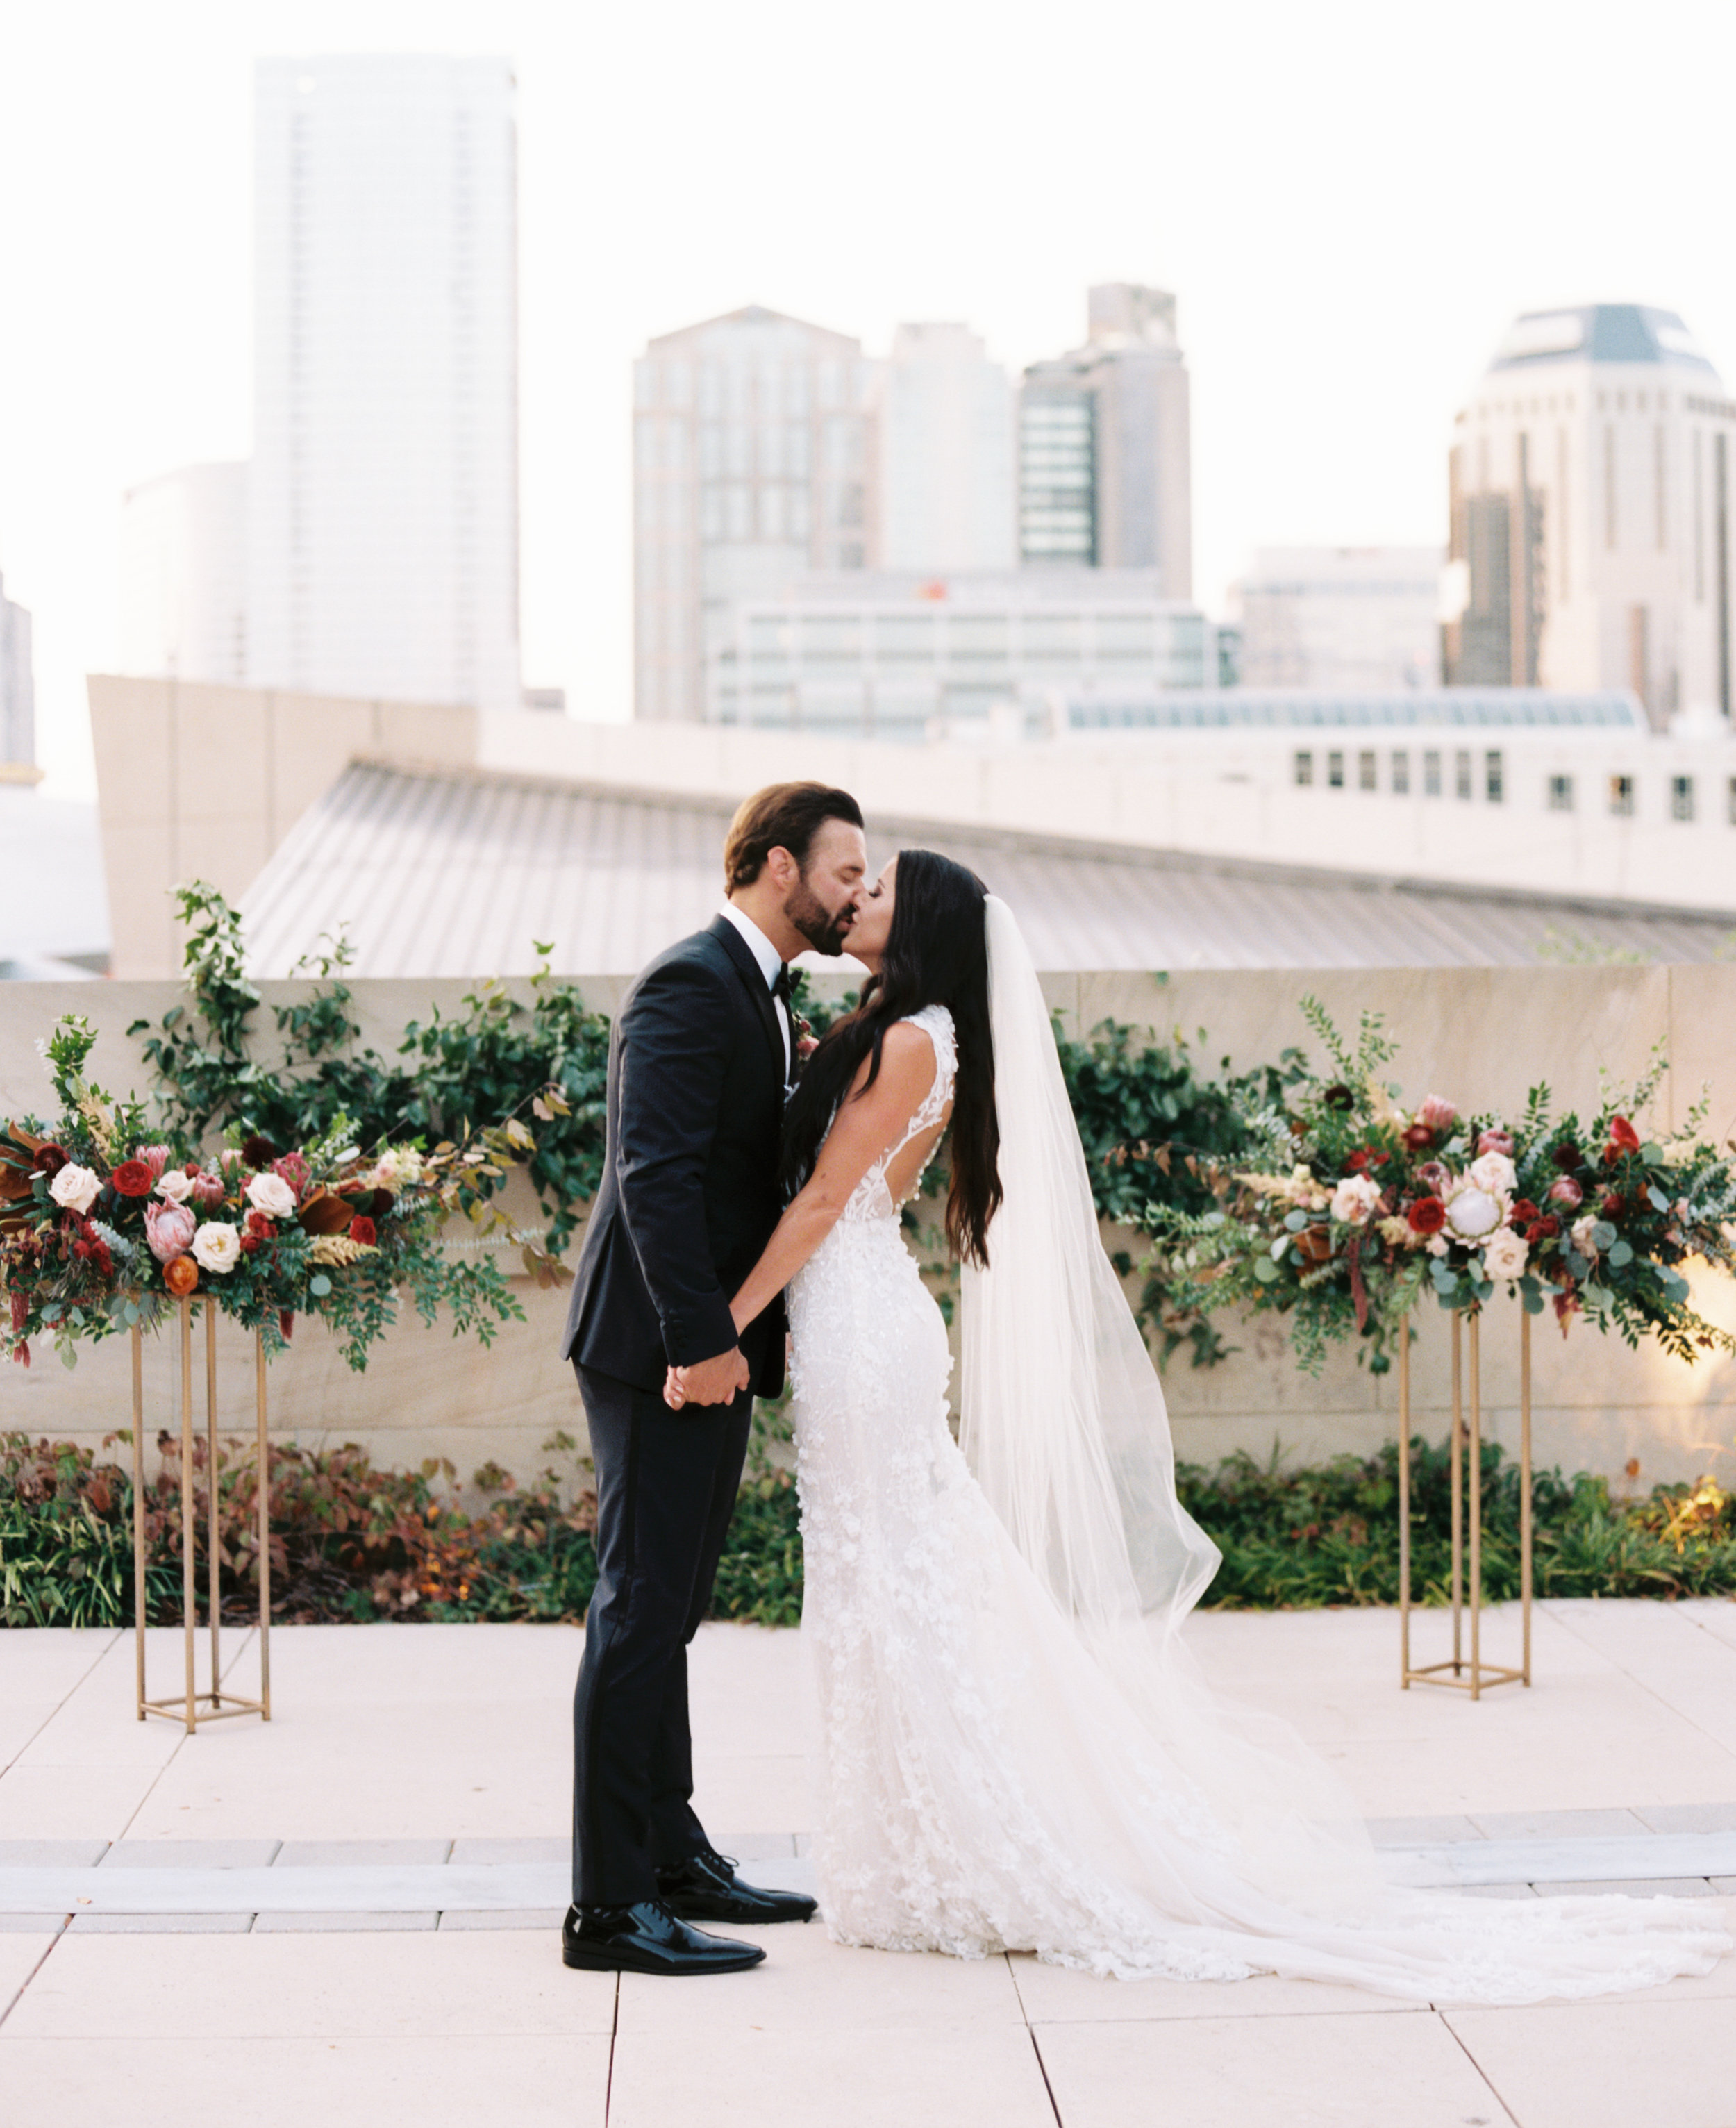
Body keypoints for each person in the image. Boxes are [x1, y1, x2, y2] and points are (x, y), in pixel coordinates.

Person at [670, 850, 1730, 2003]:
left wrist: (717, 1326)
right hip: (857, 1319)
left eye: (875, 890)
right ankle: (912, 1844)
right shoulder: (916, 1028)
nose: (853, 897)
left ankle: (963, 1845)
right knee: (882, 1579)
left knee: (896, 1581)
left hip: (862, 1324)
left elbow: (825, 1201)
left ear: (918, 923)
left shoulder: (913, 1039)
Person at [559, 781, 870, 1977]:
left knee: (670, 1605)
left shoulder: (756, 988)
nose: (857, 893)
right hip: (661, 1350)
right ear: (781, 869)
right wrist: (698, 1342)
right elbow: (656, 1175)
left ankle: (671, 1852)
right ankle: (607, 1906)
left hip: (706, 1347)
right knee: (639, 1608)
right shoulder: (692, 981)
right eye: (846, 872)